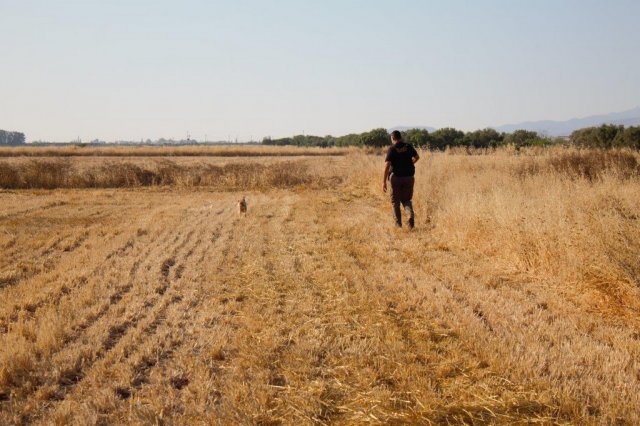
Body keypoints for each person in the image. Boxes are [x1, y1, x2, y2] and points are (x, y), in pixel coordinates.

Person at [383, 130, 420, 228]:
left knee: (395, 202)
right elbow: (417, 157)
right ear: (400, 137)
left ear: (393, 138)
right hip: (409, 177)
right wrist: (410, 163)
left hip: (396, 178)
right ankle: (410, 216)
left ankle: (398, 225)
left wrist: (383, 182)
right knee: (407, 200)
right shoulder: (408, 146)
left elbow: (387, 166)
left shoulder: (392, 148)